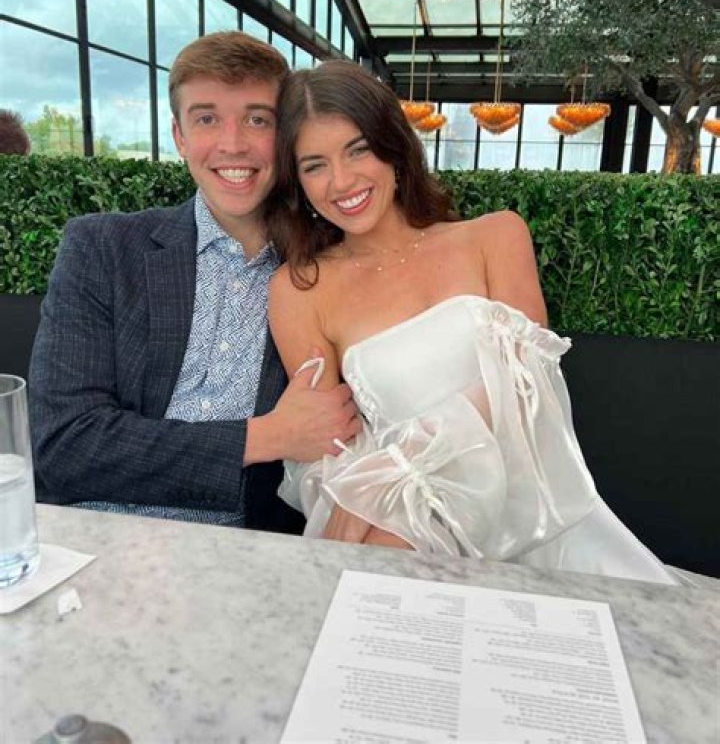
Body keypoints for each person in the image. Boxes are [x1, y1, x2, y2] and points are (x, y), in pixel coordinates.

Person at [265, 60, 677, 583]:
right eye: (314, 165)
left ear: (394, 147)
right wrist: (388, 503)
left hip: (537, 512)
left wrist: (405, 462)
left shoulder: (496, 237)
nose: (341, 181)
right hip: (413, 525)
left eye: (358, 149)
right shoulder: (299, 289)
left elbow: (526, 386)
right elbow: (326, 442)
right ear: (297, 183)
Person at [29, 32, 360, 532]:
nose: (232, 144)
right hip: (93, 536)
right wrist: (269, 436)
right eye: (206, 118)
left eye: (257, 119)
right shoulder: (103, 249)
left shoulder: (327, 267)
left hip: (248, 551)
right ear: (179, 136)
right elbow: (65, 445)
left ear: (286, 135)